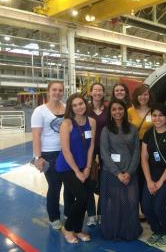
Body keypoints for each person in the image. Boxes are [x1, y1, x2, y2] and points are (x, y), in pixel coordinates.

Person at [31, 81, 73, 230]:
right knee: (55, 186)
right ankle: (54, 217)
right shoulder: (39, 111)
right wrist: (37, 157)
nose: (57, 92)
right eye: (54, 89)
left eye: (60, 90)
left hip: (67, 151)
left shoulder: (67, 109)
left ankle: (69, 212)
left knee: (70, 186)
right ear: (48, 91)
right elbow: (36, 135)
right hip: (49, 154)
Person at [56, 93, 96, 244]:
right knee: (82, 197)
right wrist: (77, 172)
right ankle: (67, 228)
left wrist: (87, 167)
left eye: (81, 104)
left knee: (84, 199)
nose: (79, 107)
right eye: (75, 105)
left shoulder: (91, 122)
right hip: (66, 167)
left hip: (83, 166)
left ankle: (78, 230)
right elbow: (65, 150)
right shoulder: (67, 123)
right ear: (71, 108)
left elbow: (91, 146)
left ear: (85, 104)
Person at [100, 99, 142, 240]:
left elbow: (137, 151)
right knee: (113, 204)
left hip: (130, 173)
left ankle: (128, 231)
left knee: (130, 203)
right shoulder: (106, 130)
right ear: (110, 112)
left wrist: (129, 173)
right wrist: (118, 173)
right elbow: (104, 153)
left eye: (120, 109)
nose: (117, 112)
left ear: (125, 111)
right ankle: (113, 230)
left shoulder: (133, 129)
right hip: (111, 173)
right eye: (114, 109)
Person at [141, 103, 166, 247]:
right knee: (146, 206)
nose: (157, 118)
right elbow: (144, 158)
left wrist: (160, 182)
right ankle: (157, 231)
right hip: (152, 174)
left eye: (161, 115)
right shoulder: (148, 133)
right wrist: (149, 180)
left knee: (158, 206)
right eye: (155, 115)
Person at [128, 84, 154, 221]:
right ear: (136, 96)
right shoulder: (130, 111)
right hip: (134, 148)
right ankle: (135, 212)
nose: (143, 97)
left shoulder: (153, 111)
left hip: (150, 148)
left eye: (146, 94)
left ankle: (147, 211)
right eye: (140, 94)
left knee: (147, 180)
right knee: (136, 181)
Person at [86, 83, 108, 226]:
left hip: (106, 149)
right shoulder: (85, 109)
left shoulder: (108, 109)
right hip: (89, 148)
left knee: (104, 181)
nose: (97, 92)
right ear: (91, 92)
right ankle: (91, 214)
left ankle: (101, 212)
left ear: (103, 93)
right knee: (89, 181)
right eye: (95, 90)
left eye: (100, 90)